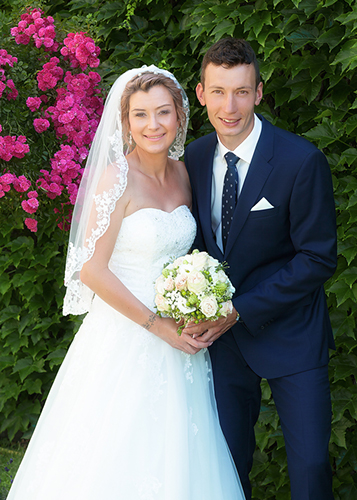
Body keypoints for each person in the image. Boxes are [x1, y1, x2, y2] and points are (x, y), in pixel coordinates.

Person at [7, 66, 245, 500]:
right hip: (127, 333)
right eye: (140, 115)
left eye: (162, 113)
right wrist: (157, 326)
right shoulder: (115, 178)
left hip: (182, 335)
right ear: (125, 122)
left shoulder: (183, 173)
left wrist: (198, 300)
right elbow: (92, 271)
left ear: (180, 117)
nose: (152, 125)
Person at [184, 38, 337, 500]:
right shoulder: (189, 159)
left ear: (259, 92)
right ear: (200, 93)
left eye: (242, 92)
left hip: (293, 334)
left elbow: (317, 257)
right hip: (223, 343)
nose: (229, 106)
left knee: (310, 466)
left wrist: (239, 308)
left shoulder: (300, 160)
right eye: (218, 92)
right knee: (227, 466)